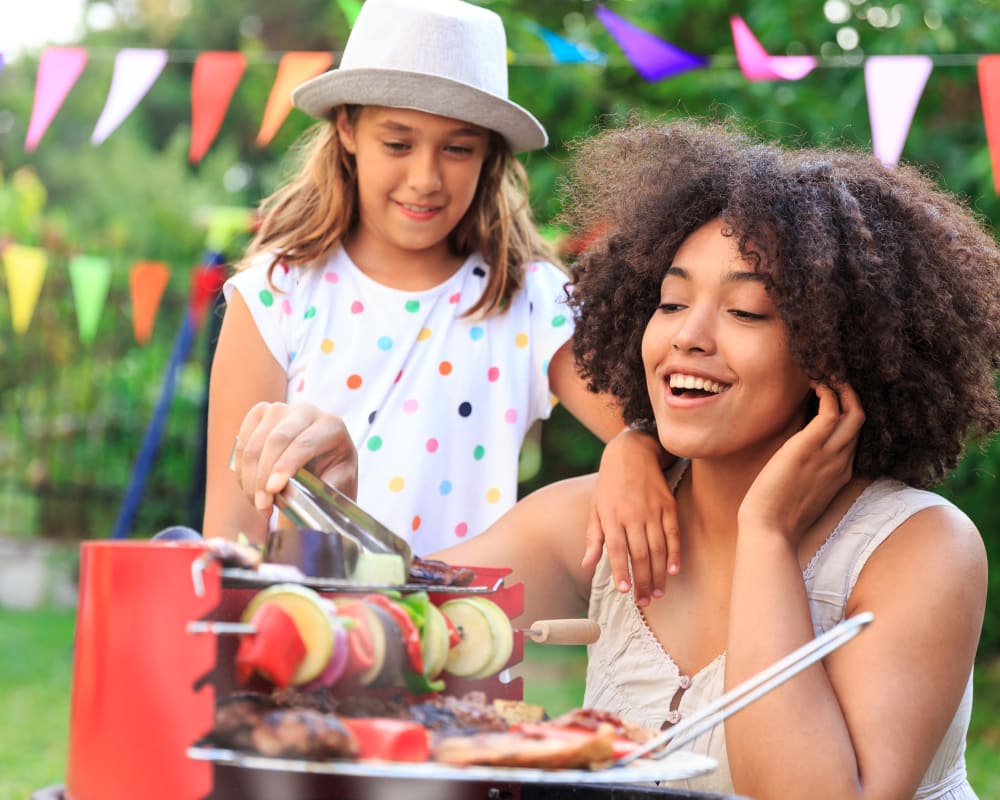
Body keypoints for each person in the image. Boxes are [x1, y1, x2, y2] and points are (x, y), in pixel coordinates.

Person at [434, 117, 1000, 798]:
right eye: (671, 302)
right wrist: (318, 486)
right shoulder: (607, 515)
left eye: (747, 312)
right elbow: (375, 626)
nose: (689, 337)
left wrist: (766, 534)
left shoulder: (922, 547)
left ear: (837, 350)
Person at [203, 0, 675, 583]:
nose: (426, 179)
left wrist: (634, 445)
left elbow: (664, 432)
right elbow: (230, 548)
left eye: (457, 148)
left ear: (490, 155)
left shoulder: (532, 299)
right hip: (303, 643)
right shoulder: (273, 297)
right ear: (347, 128)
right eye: (398, 144)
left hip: (467, 645)